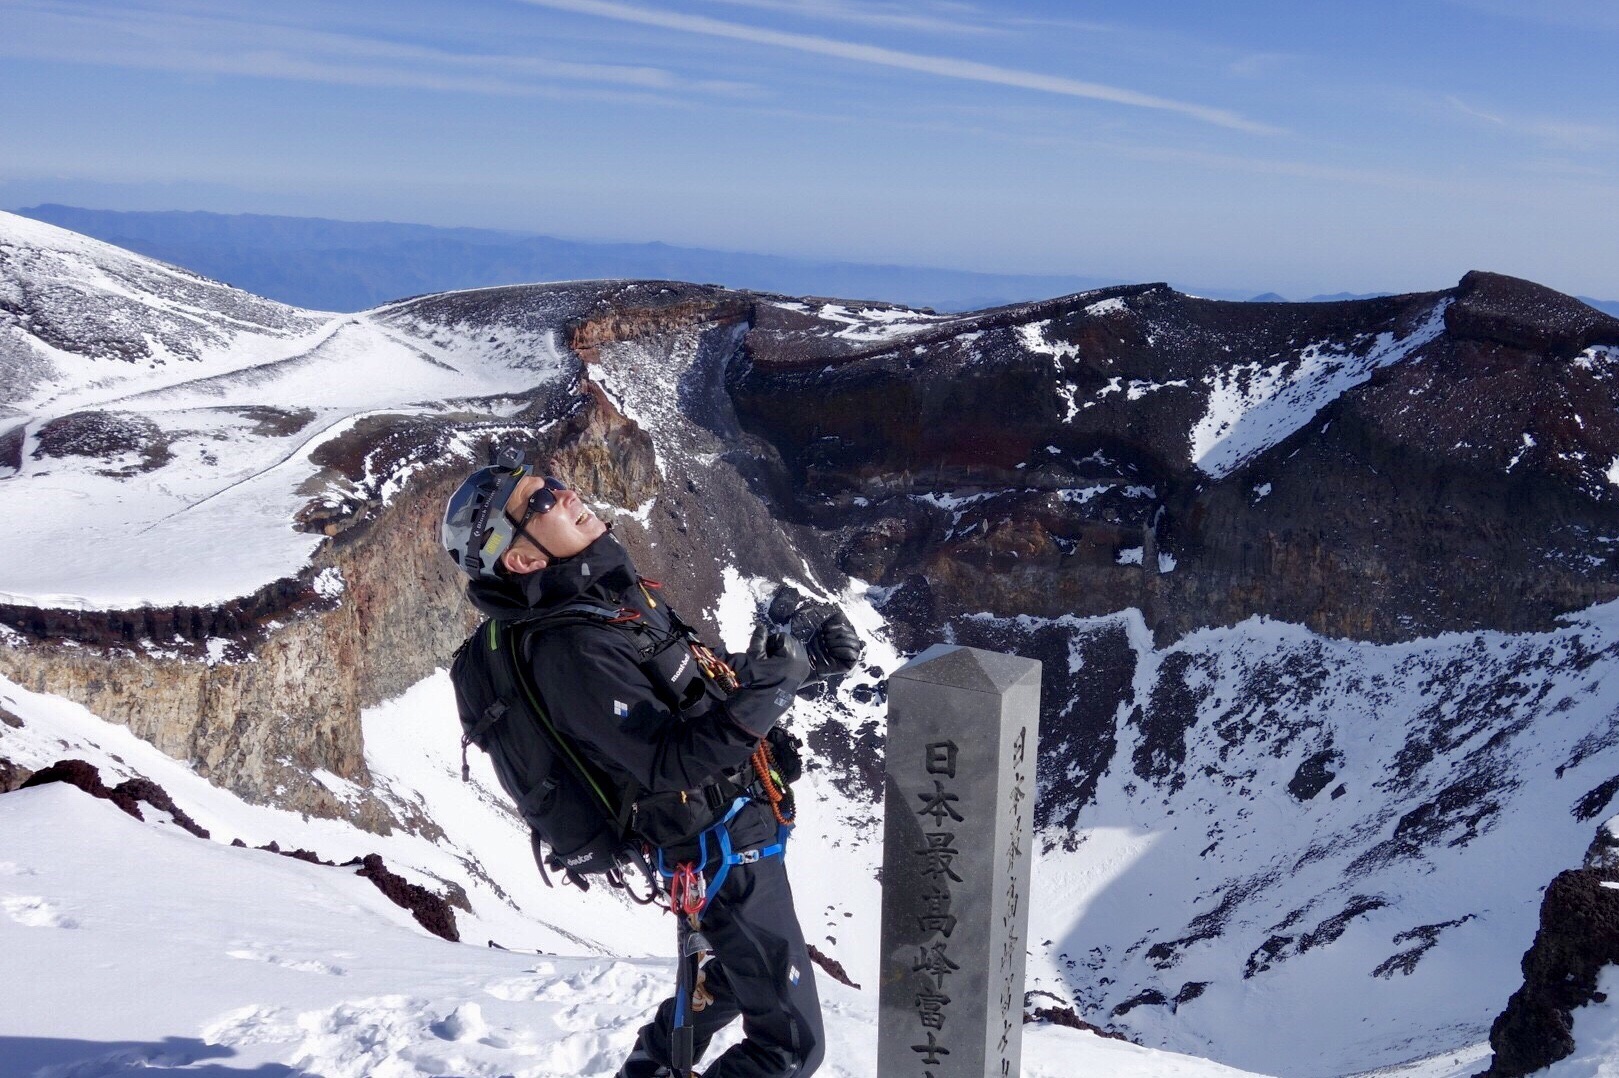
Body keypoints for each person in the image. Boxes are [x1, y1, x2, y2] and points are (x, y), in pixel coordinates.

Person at [442, 452, 861, 1078]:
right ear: (523, 558)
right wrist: (777, 690)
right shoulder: (571, 647)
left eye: (553, 482)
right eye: (539, 502)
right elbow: (669, 761)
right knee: (789, 1047)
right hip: (718, 850)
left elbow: (694, 680)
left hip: (731, 833)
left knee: (731, 975)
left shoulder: (605, 596)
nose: (565, 493)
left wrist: (789, 663)